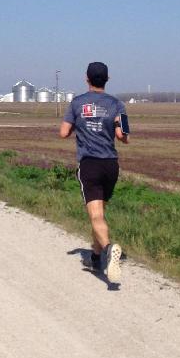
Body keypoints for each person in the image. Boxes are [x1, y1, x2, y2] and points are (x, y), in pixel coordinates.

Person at [59, 62, 128, 283]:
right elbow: (123, 137)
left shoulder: (77, 103)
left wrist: (78, 125)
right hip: (111, 165)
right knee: (99, 214)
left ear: (86, 78)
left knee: (95, 214)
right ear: (107, 79)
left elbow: (63, 133)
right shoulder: (117, 105)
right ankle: (96, 258)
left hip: (89, 164)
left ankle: (108, 250)